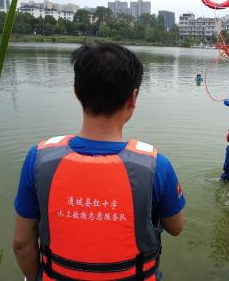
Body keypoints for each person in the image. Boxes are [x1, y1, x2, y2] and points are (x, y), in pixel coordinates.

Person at [13, 43, 186, 281]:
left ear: (76, 91)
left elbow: (22, 243)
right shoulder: (156, 165)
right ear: (133, 98)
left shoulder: (38, 158)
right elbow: (176, 228)